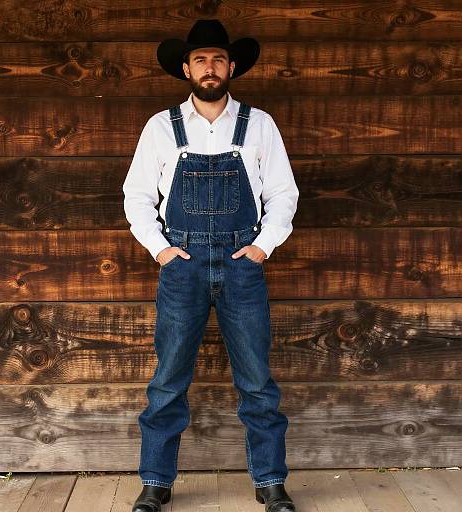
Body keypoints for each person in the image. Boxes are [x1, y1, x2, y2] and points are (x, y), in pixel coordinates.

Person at [123, 18, 299, 512]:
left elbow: (283, 193)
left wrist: (264, 244)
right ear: (185, 68)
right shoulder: (162, 127)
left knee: (258, 380)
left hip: (243, 263)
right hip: (183, 264)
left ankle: (270, 483)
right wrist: (160, 250)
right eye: (200, 59)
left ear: (232, 66)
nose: (209, 67)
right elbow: (136, 196)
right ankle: (155, 482)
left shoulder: (258, 124)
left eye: (218, 58)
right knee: (168, 379)